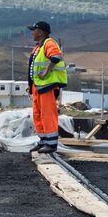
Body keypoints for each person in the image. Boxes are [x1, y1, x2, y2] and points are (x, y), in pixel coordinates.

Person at [27, 21, 67, 153]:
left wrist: (46, 71)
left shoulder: (49, 43)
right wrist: (31, 84)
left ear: (41, 32)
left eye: (34, 30)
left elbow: (55, 57)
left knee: (47, 114)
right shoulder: (39, 47)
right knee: (38, 114)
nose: (32, 32)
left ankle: (51, 143)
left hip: (48, 86)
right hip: (38, 86)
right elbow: (34, 66)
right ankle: (43, 141)